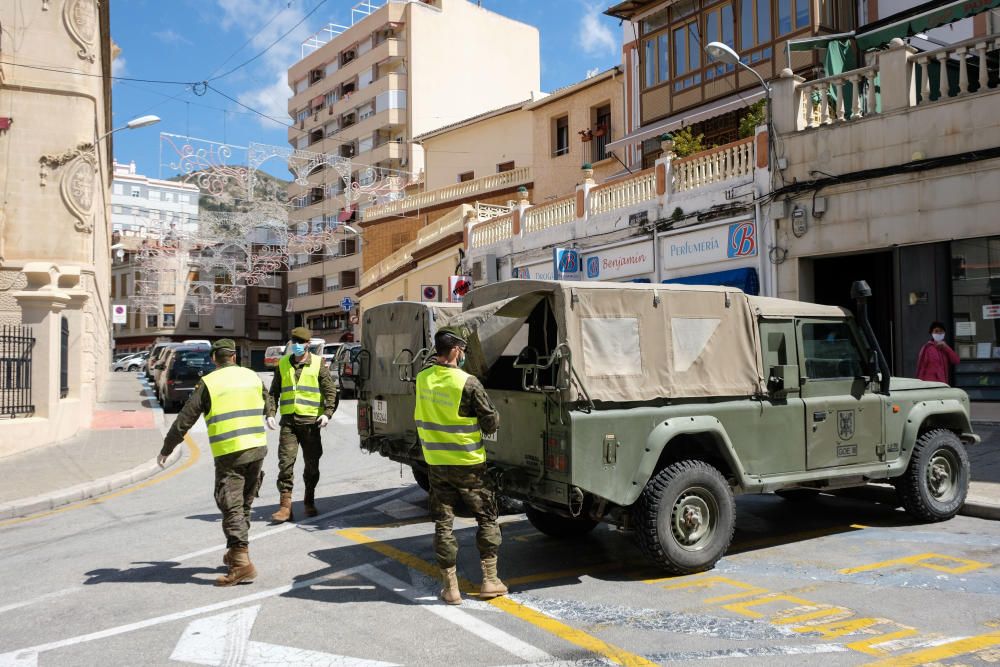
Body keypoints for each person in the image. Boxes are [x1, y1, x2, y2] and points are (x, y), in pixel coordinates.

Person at [158, 339, 274, 586]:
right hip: (257, 449)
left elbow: (185, 419)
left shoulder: (210, 383)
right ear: (234, 356)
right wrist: (271, 415)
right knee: (243, 505)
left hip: (230, 452)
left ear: (214, 359)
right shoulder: (252, 376)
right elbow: (269, 400)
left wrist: (167, 448)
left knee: (231, 505)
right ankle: (235, 552)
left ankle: (242, 563)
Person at [414, 327, 504, 606]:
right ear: (455, 350)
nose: (463, 354)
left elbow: (430, 370)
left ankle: (450, 588)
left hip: (437, 463)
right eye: (462, 349)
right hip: (469, 465)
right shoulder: (468, 382)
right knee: (486, 518)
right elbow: (491, 423)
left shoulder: (422, 379)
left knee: (444, 524)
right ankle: (489, 580)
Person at [268, 326, 338, 522]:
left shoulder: (317, 364)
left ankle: (309, 500)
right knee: (285, 463)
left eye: (300, 343)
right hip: (289, 422)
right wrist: (270, 413)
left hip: (311, 423)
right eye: (294, 342)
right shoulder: (283, 363)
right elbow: (273, 392)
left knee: (311, 464)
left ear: (307, 344)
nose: (297, 346)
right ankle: (285, 506)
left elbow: (330, 390)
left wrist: (328, 413)